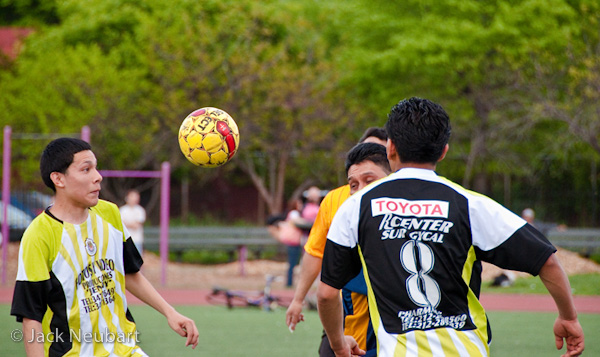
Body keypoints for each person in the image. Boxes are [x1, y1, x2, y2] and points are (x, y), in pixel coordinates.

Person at [318, 97, 585, 357]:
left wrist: (338, 344)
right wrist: (568, 317)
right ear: (444, 151)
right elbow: (547, 260)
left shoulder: (356, 206)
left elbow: (328, 294)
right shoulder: (470, 204)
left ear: (390, 148)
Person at [11, 138, 199, 357]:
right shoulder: (38, 235)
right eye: (86, 169)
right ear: (58, 179)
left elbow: (129, 273)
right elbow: (31, 315)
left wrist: (170, 312)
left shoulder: (109, 214)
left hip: (125, 349)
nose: (97, 176)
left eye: (96, 168)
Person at [286, 129, 389, 357]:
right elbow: (315, 253)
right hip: (349, 316)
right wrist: (298, 299)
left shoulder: (406, 203)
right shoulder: (336, 201)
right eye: (355, 182)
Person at [266, 199, 305, 287]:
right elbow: (298, 222)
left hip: (293, 242)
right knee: (292, 263)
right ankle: (289, 282)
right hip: (293, 242)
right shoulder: (294, 213)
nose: (301, 205)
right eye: (299, 203)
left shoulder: (291, 214)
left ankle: (290, 282)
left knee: (292, 263)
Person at [120, 189, 146, 254]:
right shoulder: (122, 210)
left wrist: (127, 224)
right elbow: (120, 224)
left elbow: (136, 225)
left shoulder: (140, 210)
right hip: (124, 239)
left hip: (136, 239)